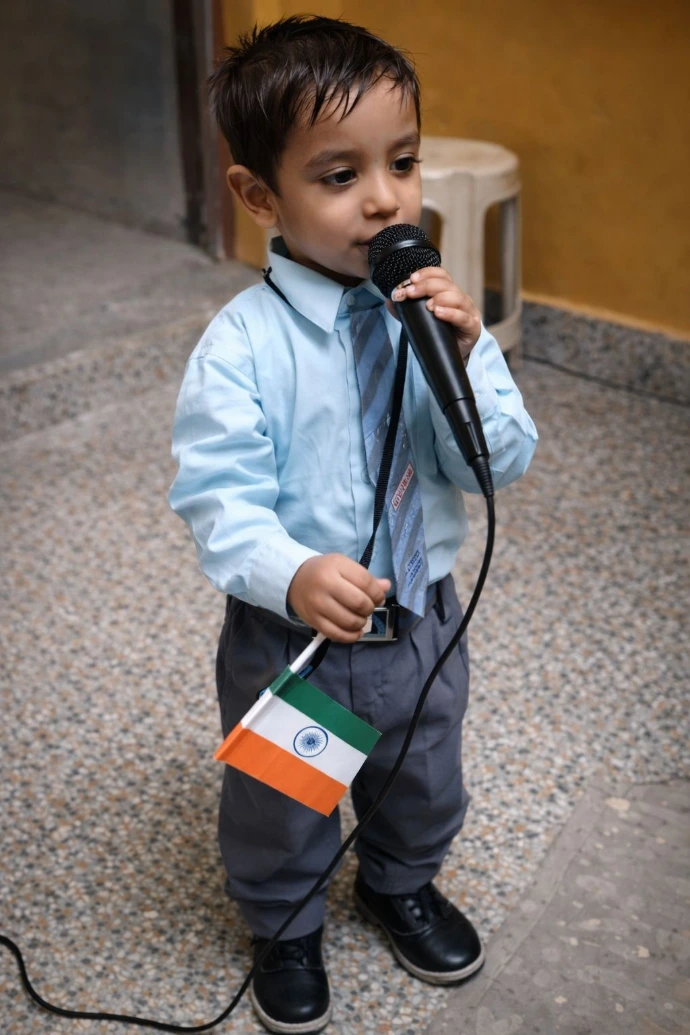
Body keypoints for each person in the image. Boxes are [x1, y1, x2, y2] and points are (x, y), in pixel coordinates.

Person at [169, 14, 537, 1034]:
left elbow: (498, 463)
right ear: (258, 196)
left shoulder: (436, 317)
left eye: (403, 162)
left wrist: (463, 364)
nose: (385, 197)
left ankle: (398, 880)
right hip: (299, 638)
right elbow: (218, 498)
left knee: (423, 770)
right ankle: (284, 923)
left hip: (422, 611)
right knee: (284, 797)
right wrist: (287, 571)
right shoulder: (242, 347)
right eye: (339, 175)